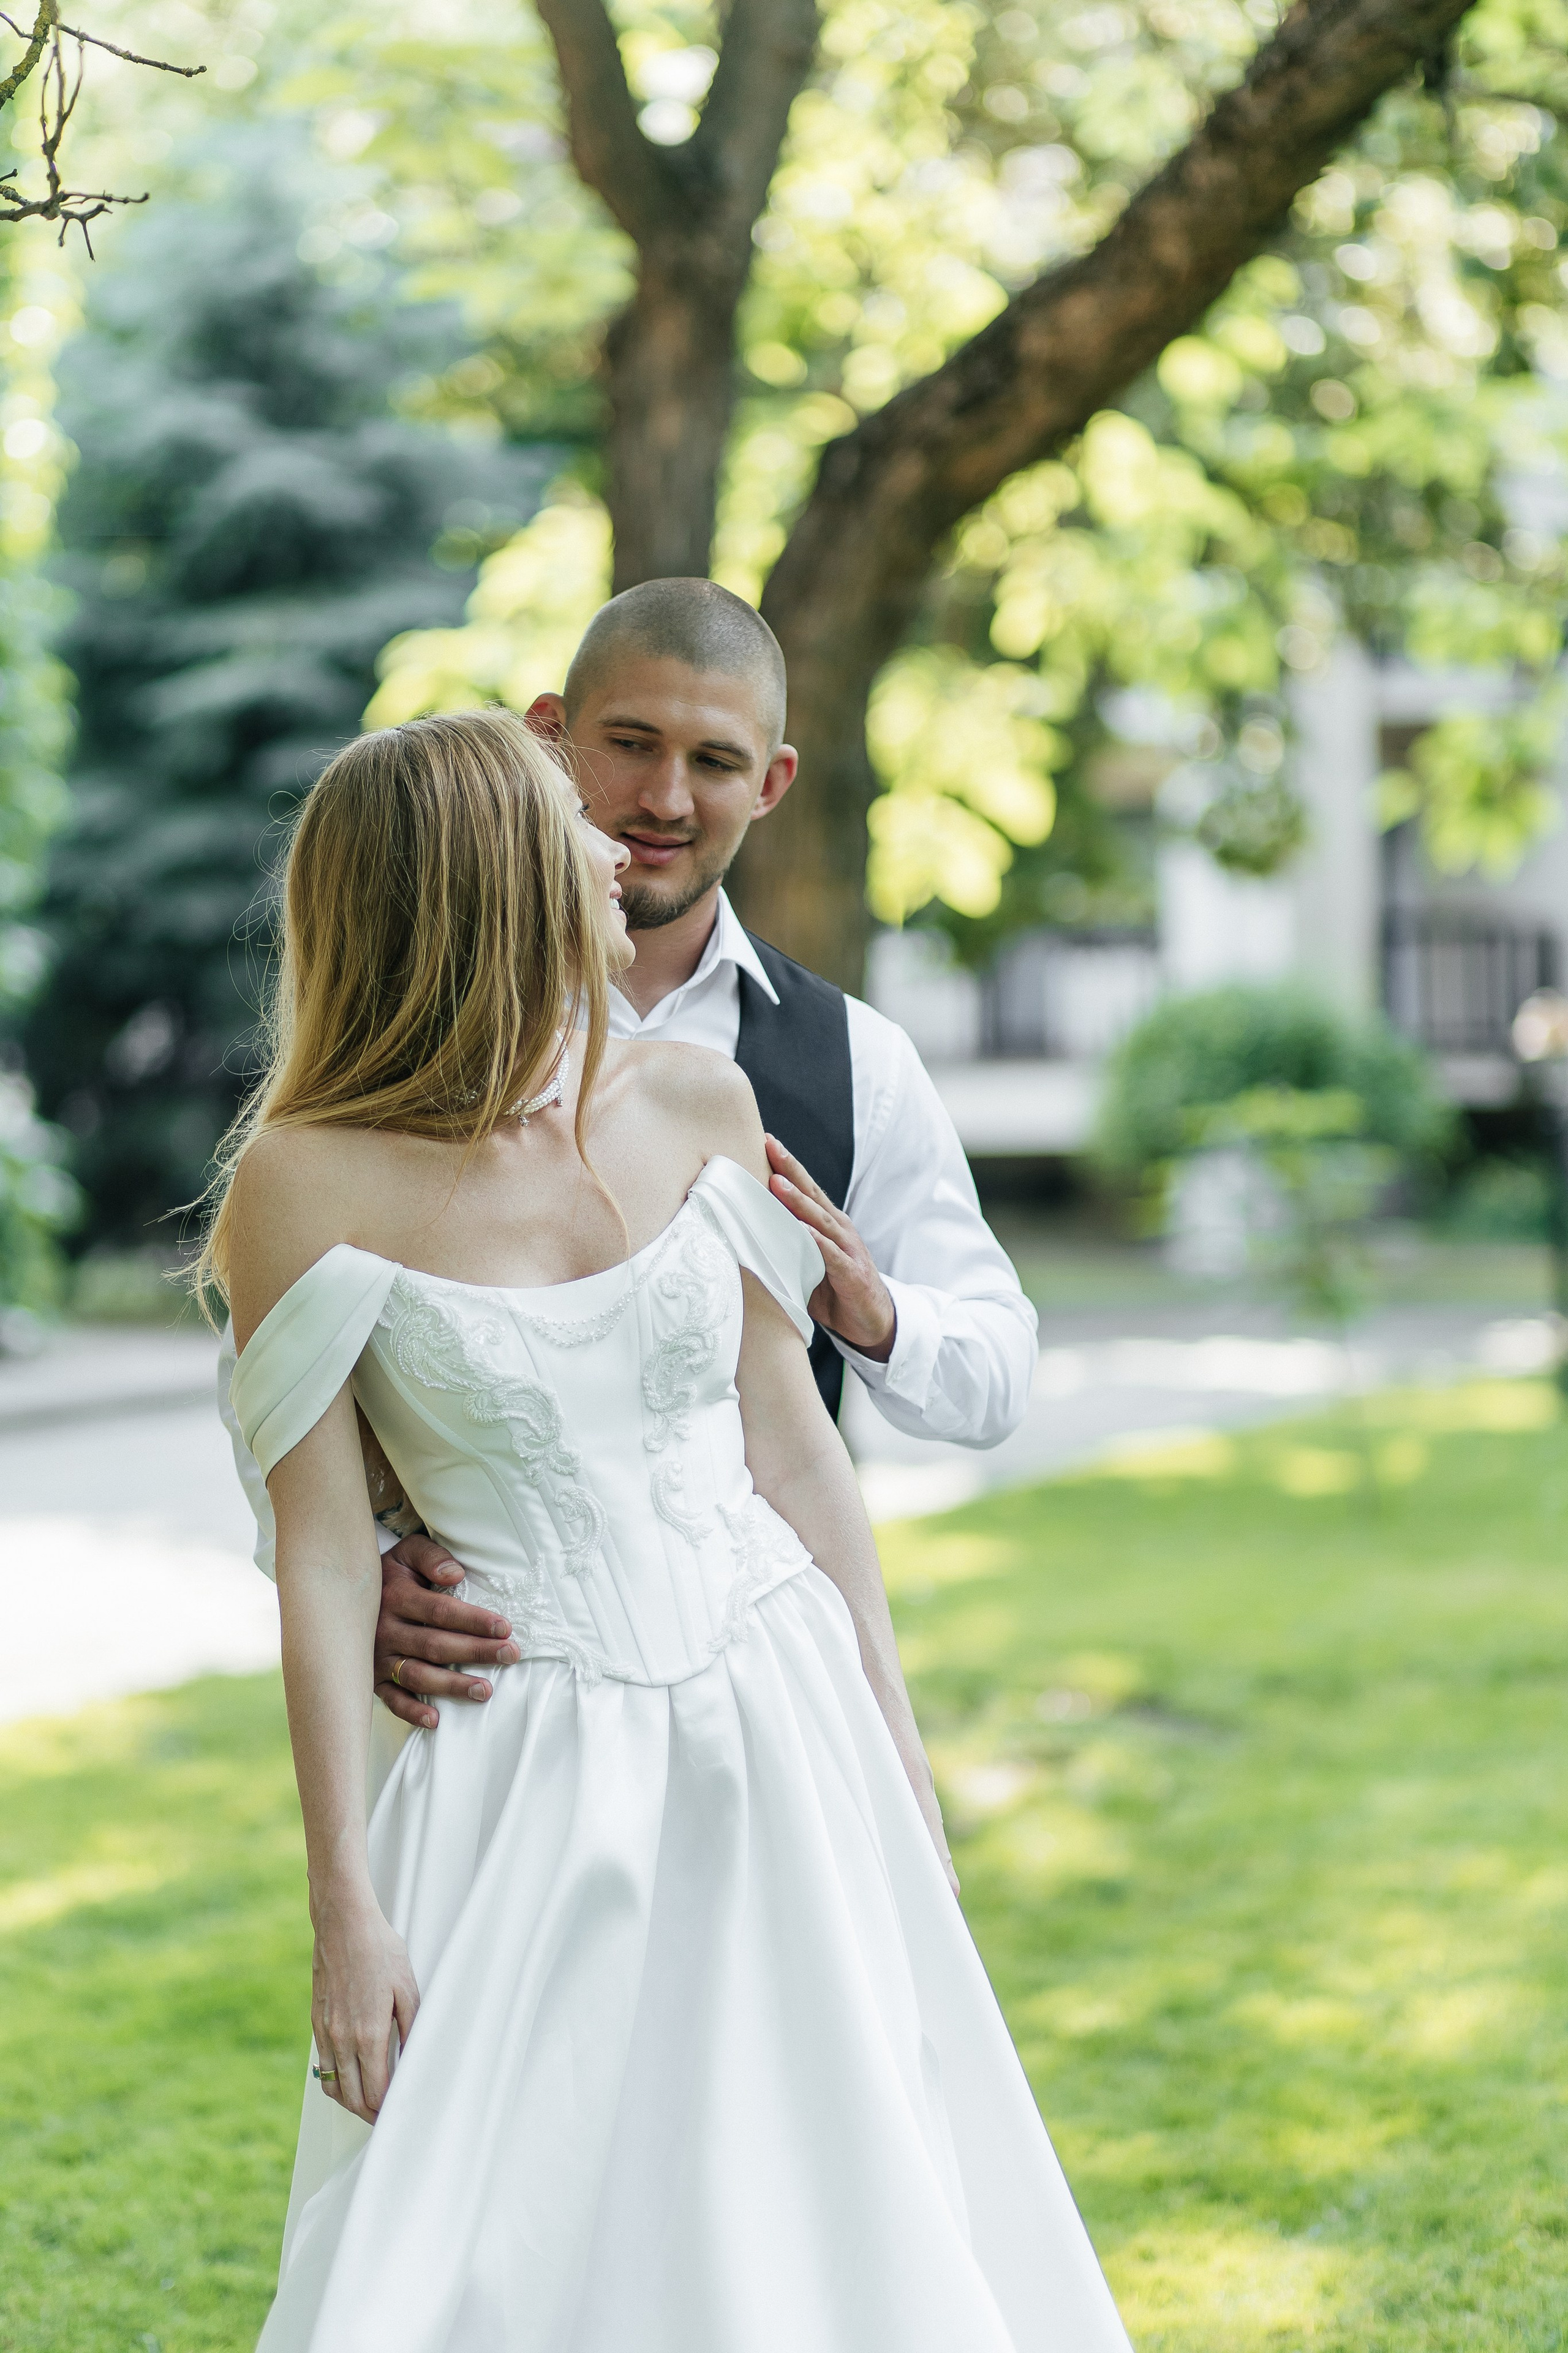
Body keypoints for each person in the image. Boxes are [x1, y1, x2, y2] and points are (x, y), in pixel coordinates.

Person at [213, 708, 1130, 2350]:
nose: (605, 849)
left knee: (834, 2187)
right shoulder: (300, 1180)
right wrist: (344, 1909)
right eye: (563, 828)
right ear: (486, 886)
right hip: (521, 1768)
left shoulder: (699, 1103)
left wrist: (897, 1751)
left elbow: (794, 1458)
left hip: (782, 1721)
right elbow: (326, 1549)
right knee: (510, 2231)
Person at [225, 580, 1038, 1735]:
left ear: (772, 784)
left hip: (774, 1685)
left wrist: (874, 1312)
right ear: (548, 734)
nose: (664, 799)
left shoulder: (858, 1060)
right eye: (631, 743)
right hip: (503, 1702)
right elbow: (273, 1368)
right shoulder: (403, 1056)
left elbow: (998, 1365)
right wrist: (360, 1560)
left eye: (715, 761)